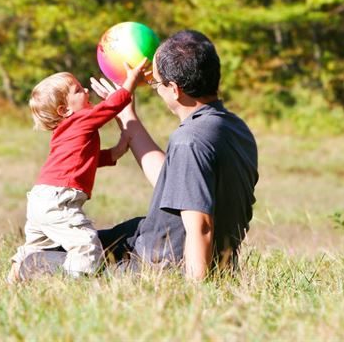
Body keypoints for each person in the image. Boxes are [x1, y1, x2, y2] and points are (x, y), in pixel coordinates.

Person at [18, 30, 258, 280]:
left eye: (156, 83)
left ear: (174, 89)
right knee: (73, 241)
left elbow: (201, 226)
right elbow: (174, 182)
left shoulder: (189, 141)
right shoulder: (233, 127)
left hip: (161, 262)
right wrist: (126, 116)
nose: (155, 88)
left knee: (37, 261)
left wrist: (196, 291)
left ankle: (41, 270)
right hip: (157, 237)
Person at [8, 60, 148, 282]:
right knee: (86, 243)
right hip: (58, 199)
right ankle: (76, 282)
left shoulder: (66, 130)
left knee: (37, 246)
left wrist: (114, 152)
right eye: (77, 90)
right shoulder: (79, 119)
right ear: (65, 110)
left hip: (41, 198)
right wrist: (130, 81)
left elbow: (82, 158)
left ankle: (16, 274)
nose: (85, 90)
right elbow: (111, 107)